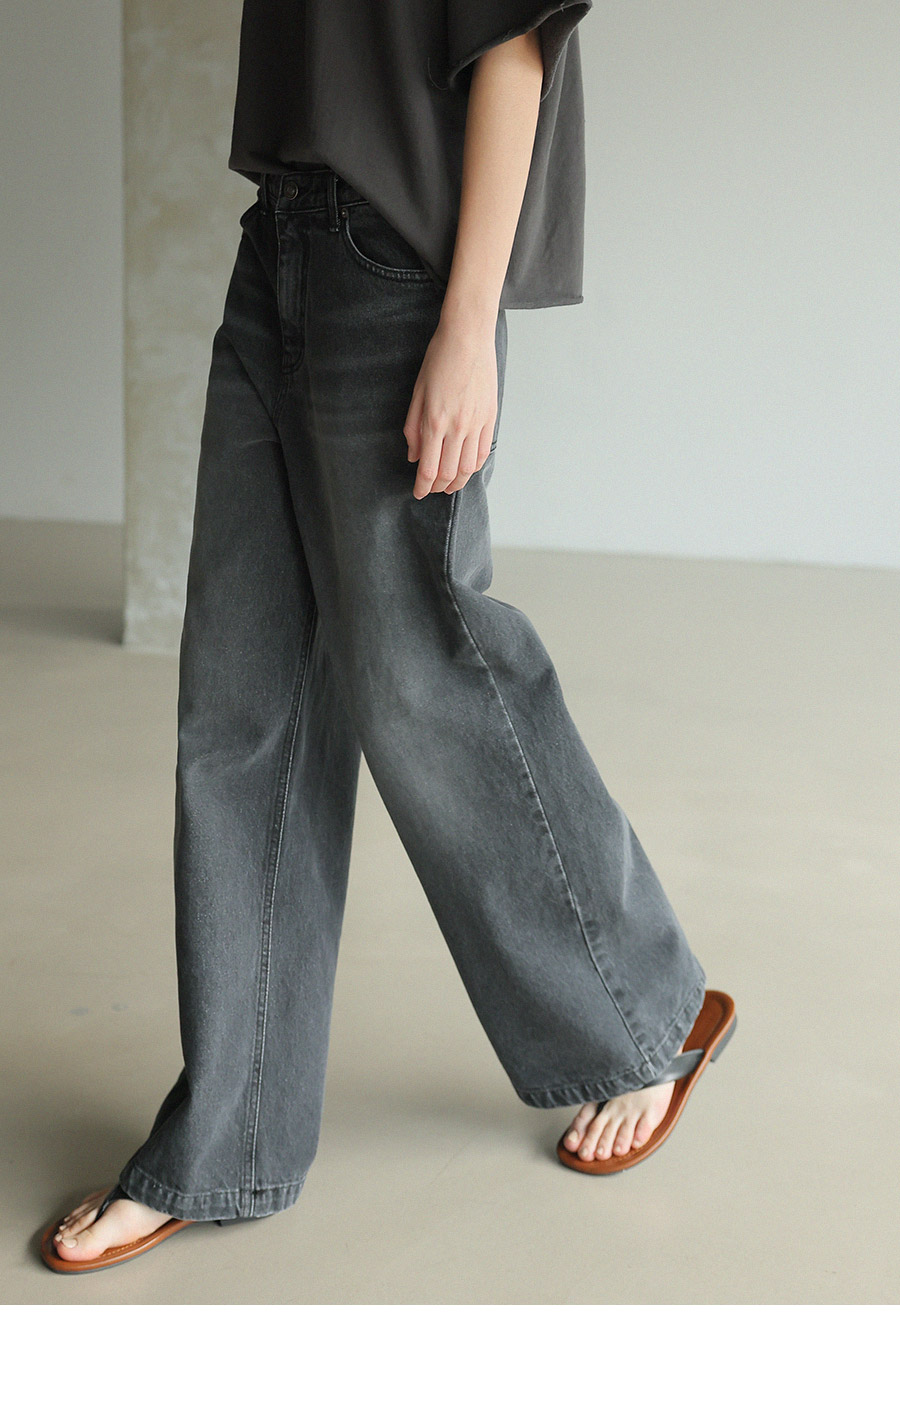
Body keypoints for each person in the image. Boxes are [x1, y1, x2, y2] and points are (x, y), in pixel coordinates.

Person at [41, 1, 735, 1274]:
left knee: (421, 667)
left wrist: (468, 325)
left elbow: (514, 47)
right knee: (240, 698)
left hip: (404, 260)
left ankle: (641, 1014)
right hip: (282, 238)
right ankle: (230, 1137)